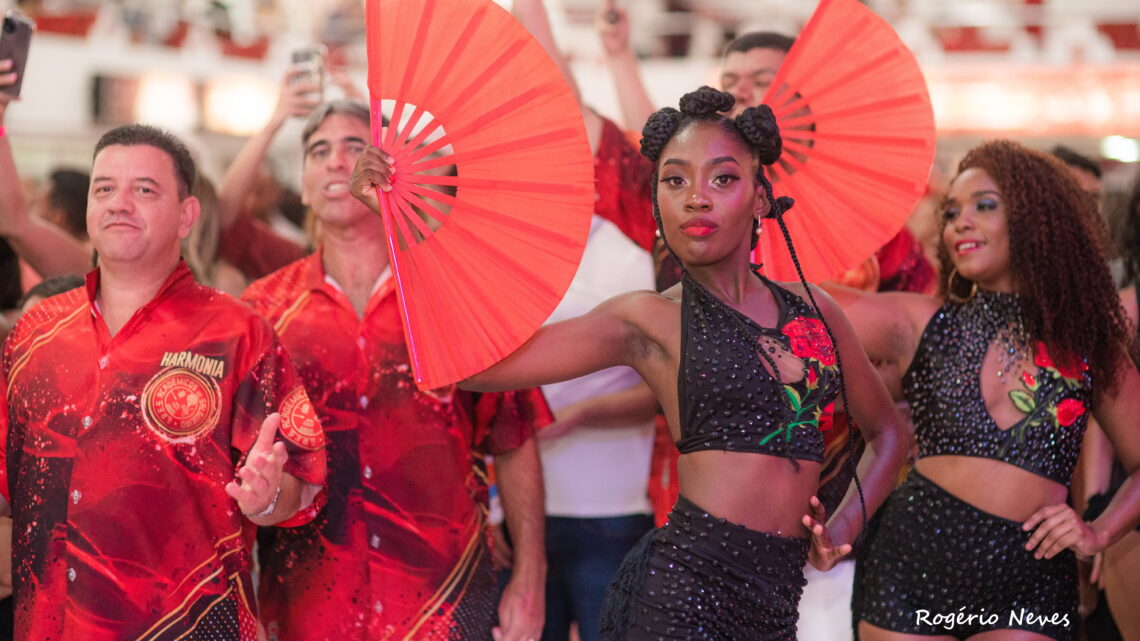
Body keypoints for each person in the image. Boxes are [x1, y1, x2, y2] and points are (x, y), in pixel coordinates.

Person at [353, 86, 910, 640]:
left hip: (778, 603)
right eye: (675, 180)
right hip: (684, 599)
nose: (695, 197)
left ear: (761, 198)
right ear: (656, 202)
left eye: (722, 178)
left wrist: (841, 530)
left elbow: (888, 432)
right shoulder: (647, 320)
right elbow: (475, 367)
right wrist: (404, 225)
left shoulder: (817, 312)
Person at [0, 123, 328, 640]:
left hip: (188, 625)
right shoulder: (35, 332)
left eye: (144, 190)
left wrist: (266, 497)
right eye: (104, 188)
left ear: (187, 216)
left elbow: (302, 482)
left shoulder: (238, 333)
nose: (119, 203)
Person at [243, 100, 549, 641]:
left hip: (445, 598)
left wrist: (531, 574)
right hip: (306, 607)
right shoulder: (263, 311)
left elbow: (515, 434)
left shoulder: (455, 294)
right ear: (304, 186)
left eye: (356, 147)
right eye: (320, 151)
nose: (338, 161)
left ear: (390, 173)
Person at [841, 140, 1140, 641]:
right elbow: (798, 307)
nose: (961, 221)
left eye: (984, 206)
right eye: (952, 211)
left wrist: (1099, 532)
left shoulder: (1090, 342)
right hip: (912, 566)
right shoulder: (919, 321)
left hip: (1032, 579)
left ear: (1036, 219)